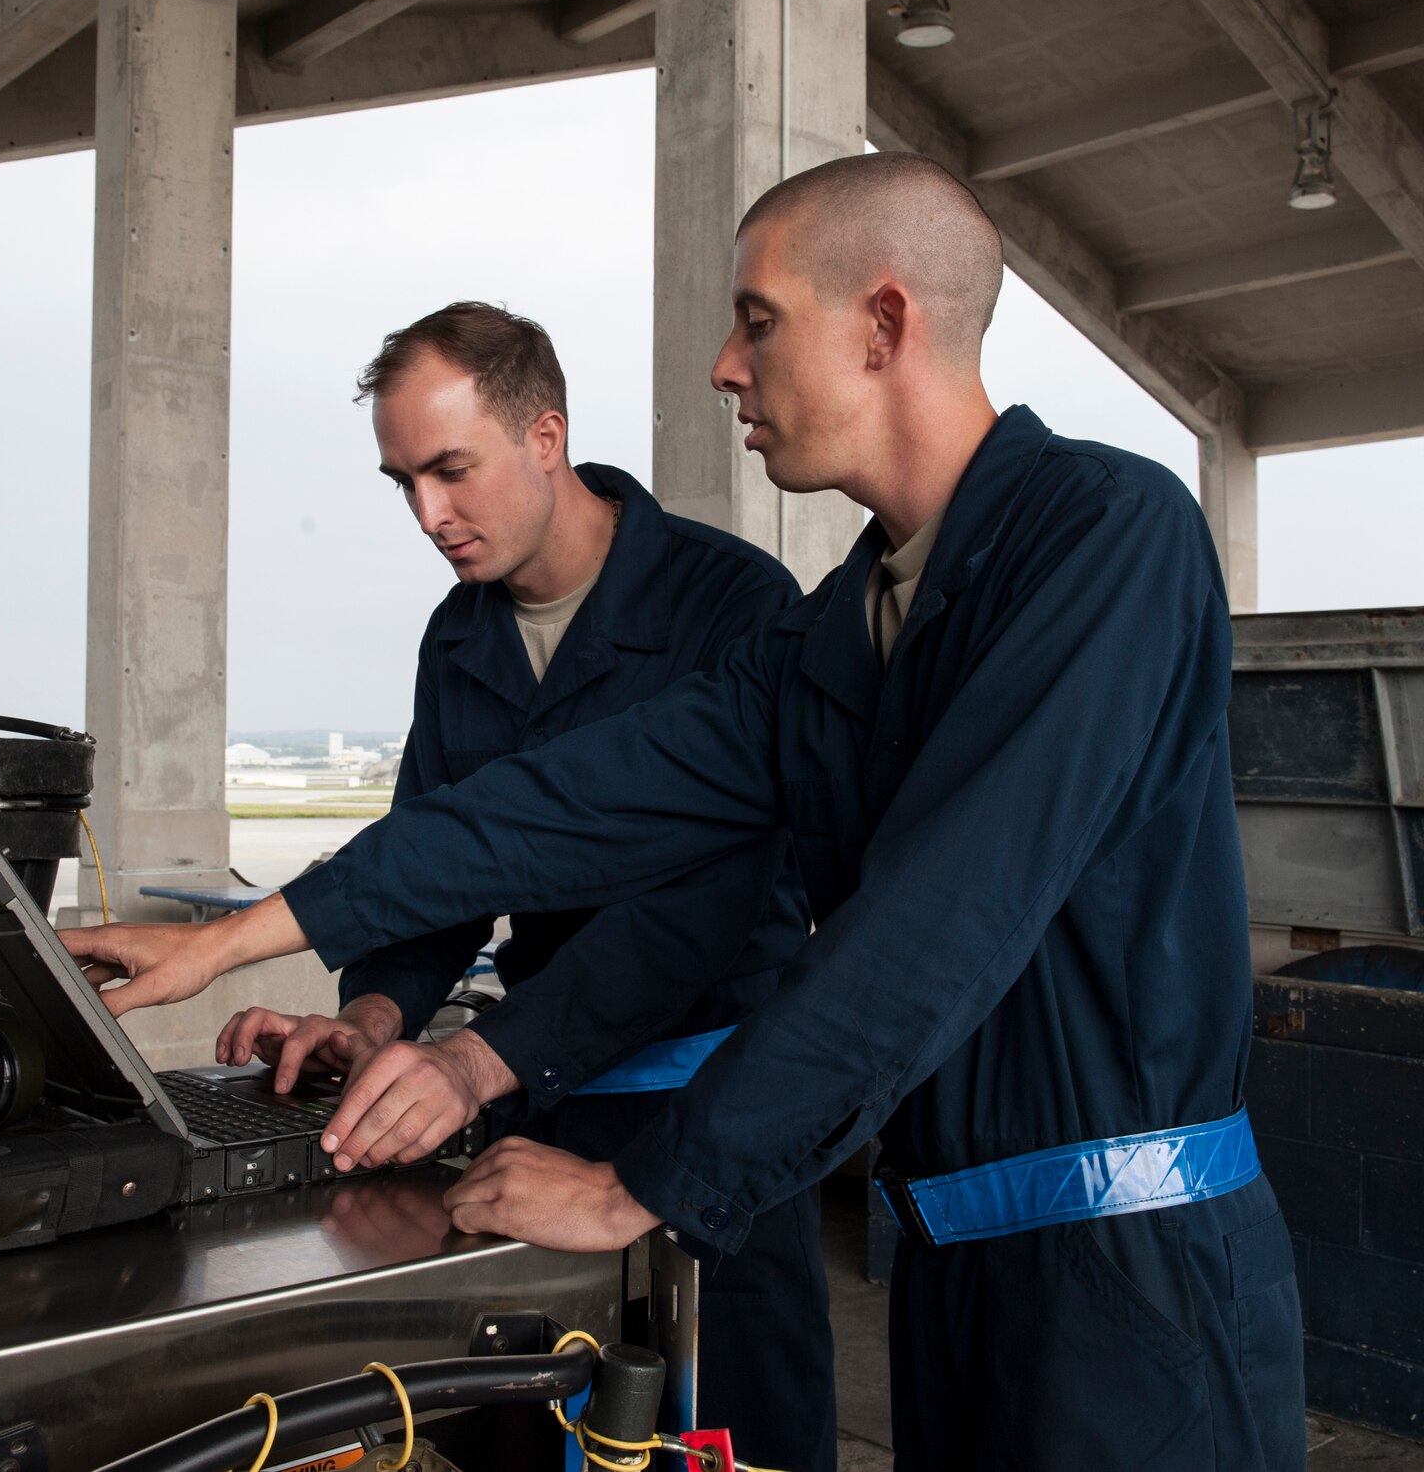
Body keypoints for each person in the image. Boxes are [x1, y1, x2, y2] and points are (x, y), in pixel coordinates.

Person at [65, 153, 1307, 1470]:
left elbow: (942, 917)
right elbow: (559, 803)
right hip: (952, 1260)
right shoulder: (842, 630)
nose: (724, 364)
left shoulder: (1112, 532)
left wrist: (642, 1181)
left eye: (757, 319)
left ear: (886, 323)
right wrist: (230, 939)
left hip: (1133, 1286)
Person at [206, 300, 835, 1469]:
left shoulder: (733, 606)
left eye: (450, 470)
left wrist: (469, 1060)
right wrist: (369, 1020)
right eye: (401, 482)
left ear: (544, 436)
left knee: (725, 1425)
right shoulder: (458, 637)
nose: (427, 515)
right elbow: (435, 860)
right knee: (521, 1417)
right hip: (533, 1094)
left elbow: (697, 913)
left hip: (703, 1102)